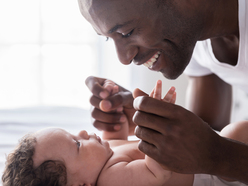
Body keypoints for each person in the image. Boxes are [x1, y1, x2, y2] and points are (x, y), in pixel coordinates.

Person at [77, 0, 248, 183]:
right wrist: (150, 124)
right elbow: (203, 145)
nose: (124, 58)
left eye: (127, 32)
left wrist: (219, 156)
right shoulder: (193, 35)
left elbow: (213, 152)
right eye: (107, 38)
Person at [2, 80, 248, 186]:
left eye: (73, 133)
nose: (83, 133)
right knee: (238, 131)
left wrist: (118, 119)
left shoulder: (104, 161)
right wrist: (156, 120)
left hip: (208, 157)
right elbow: (155, 171)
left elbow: (118, 141)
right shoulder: (112, 180)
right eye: (77, 144)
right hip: (216, 176)